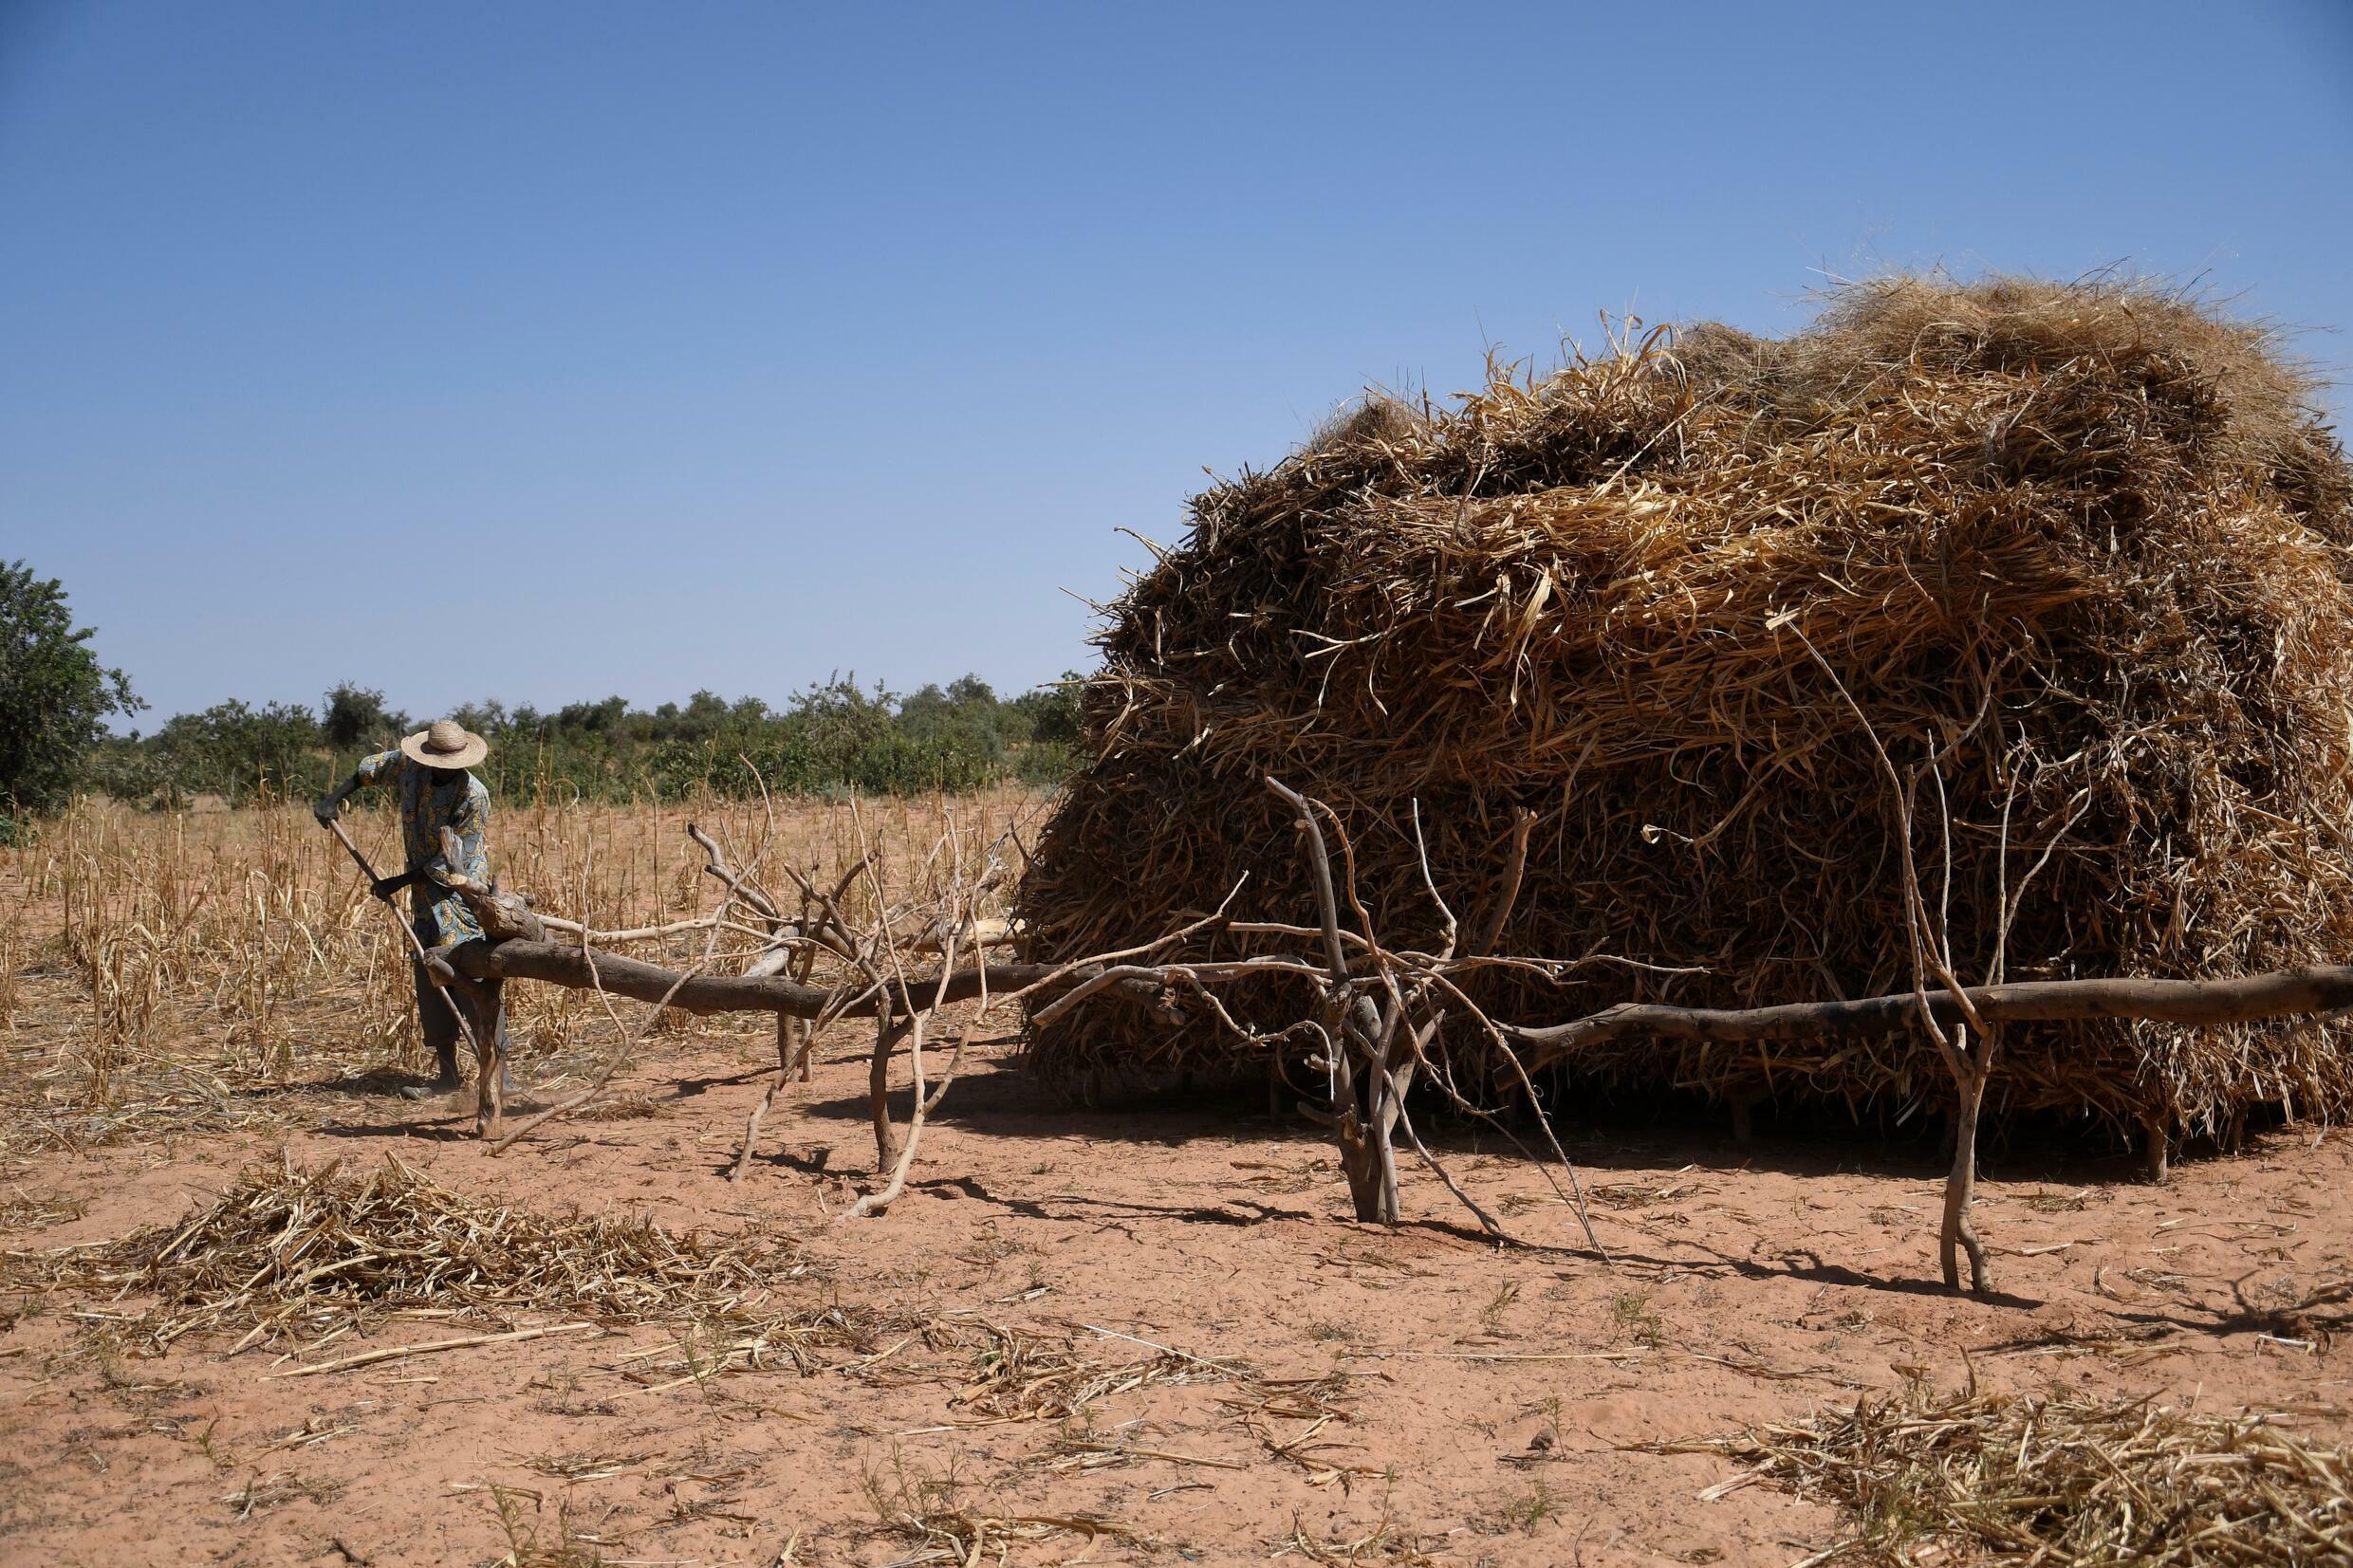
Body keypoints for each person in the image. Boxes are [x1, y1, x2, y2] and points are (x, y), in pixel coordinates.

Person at [314, 718, 515, 1101]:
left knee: (473, 976)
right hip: (424, 902)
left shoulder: (474, 796)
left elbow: (450, 861)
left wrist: (398, 881)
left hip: (462, 899)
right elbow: (367, 771)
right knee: (431, 975)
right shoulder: (410, 766)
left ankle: (500, 1078)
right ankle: (448, 1076)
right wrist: (332, 800)